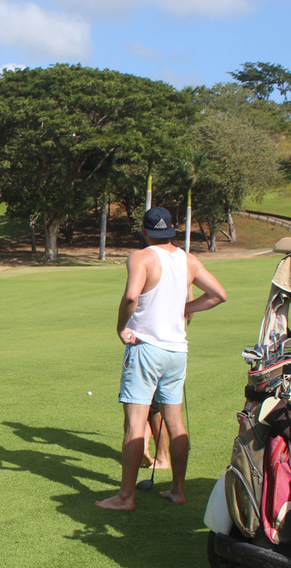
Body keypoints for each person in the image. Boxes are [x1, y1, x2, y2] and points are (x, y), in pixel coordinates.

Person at [96, 207, 227, 511]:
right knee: (176, 422)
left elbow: (131, 297)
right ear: (172, 231)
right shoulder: (188, 260)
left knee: (135, 424)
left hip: (146, 349)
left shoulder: (141, 256)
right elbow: (219, 294)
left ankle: (125, 497)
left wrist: (121, 327)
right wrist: (187, 308)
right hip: (177, 351)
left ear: (144, 231)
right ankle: (178, 490)